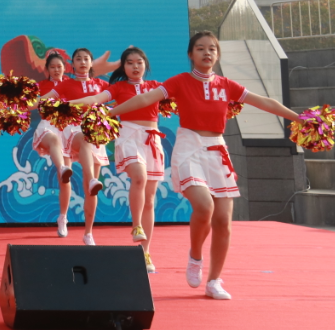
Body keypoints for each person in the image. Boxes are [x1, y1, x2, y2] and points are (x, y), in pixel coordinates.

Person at [109, 31, 305, 300]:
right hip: (189, 148)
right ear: (191, 54)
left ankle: (214, 281)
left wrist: (300, 119)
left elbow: (264, 102)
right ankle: (196, 255)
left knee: (223, 221)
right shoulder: (180, 81)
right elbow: (145, 99)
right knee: (204, 206)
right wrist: (109, 112)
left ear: (217, 54)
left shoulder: (226, 85)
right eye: (200, 48)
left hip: (217, 150)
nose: (207, 53)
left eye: (212, 48)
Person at [71, 46, 165, 272]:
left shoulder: (156, 87)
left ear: (145, 65)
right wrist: (67, 104)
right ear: (123, 67)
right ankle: (136, 225)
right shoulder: (119, 87)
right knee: (139, 177)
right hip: (129, 136)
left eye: (139, 62)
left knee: (150, 199)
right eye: (129, 63)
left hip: (152, 139)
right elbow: (96, 98)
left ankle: (145, 252)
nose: (135, 66)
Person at [40, 47, 109, 245]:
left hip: (96, 132)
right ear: (73, 64)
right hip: (73, 130)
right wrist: (13, 103)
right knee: (72, 170)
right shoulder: (66, 84)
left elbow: (123, 96)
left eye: (86, 59)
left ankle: (88, 233)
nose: (82, 62)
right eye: (78, 59)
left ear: (91, 63)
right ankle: (63, 216)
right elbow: (42, 100)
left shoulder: (102, 84)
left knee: (91, 189)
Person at [29, 49, 74, 235]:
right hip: (48, 126)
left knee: (65, 180)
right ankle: (61, 167)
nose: (56, 70)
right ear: (47, 69)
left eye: (59, 66)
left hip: (68, 129)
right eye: (52, 67)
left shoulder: (71, 84)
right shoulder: (39, 86)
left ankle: (63, 217)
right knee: (53, 139)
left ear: (65, 68)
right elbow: (29, 104)